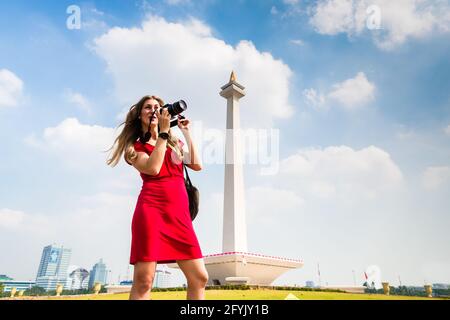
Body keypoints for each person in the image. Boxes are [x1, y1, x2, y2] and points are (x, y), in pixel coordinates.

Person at [106, 95, 208, 300]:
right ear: (139, 115)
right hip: (151, 212)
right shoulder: (134, 147)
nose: (153, 110)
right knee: (144, 280)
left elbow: (197, 165)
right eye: (148, 107)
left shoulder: (174, 143)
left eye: (157, 107)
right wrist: (162, 134)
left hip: (179, 215)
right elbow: (153, 168)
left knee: (199, 277)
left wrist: (186, 133)